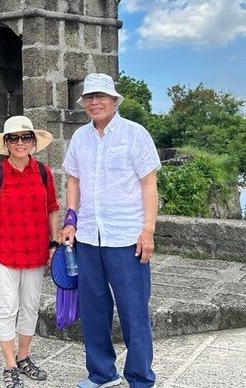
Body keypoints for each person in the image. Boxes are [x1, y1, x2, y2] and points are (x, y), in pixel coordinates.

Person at [60, 73, 161, 388]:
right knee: (93, 309)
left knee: (133, 311)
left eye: (101, 96)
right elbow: (73, 180)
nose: (94, 102)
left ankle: (140, 378)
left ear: (114, 100)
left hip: (126, 237)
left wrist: (148, 230)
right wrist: (70, 220)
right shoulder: (80, 138)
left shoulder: (135, 134)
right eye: (89, 97)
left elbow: (149, 184)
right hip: (88, 236)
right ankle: (102, 374)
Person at [0, 115, 60, 388]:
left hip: (35, 252)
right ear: (6, 143)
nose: (20, 143)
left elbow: (52, 209)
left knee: (30, 307)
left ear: (33, 142)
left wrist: (53, 244)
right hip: (3, 252)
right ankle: (10, 364)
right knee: (7, 307)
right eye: (14, 138)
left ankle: (24, 357)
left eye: (26, 137)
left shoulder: (44, 173)